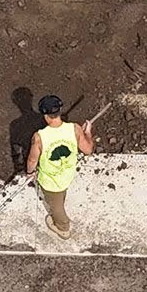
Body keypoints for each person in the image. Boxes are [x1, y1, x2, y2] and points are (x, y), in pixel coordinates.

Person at [26, 94, 94, 240]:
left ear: (45, 115)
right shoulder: (75, 129)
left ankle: (63, 227)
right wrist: (87, 132)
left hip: (50, 182)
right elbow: (88, 149)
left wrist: (30, 172)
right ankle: (61, 204)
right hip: (67, 175)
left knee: (56, 207)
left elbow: (32, 159)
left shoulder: (39, 137)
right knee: (61, 194)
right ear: (60, 111)